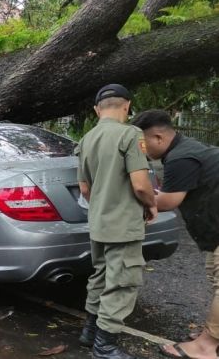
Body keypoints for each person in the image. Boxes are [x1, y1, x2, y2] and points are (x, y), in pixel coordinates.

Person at [76, 84, 157, 359]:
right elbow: (141, 185)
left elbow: (84, 189)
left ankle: (89, 333)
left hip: (98, 222)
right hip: (123, 224)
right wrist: (151, 204)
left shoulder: (86, 140)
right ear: (127, 106)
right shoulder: (130, 134)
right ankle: (105, 345)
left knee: (99, 276)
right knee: (121, 282)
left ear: (97, 110)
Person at [133, 109, 219, 359]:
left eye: (142, 142)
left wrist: (134, 197)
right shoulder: (187, 149)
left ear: (158, 137)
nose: (141, 149)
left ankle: (207, 346)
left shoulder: (181, 157)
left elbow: (168, 200)